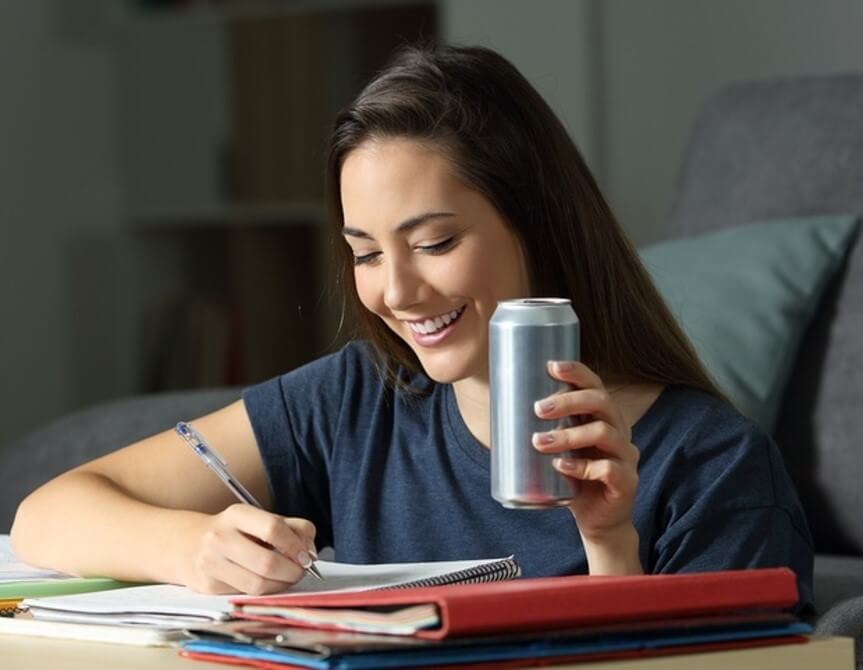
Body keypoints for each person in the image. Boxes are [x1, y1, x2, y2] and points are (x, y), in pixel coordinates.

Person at [10, 44, 814, 611]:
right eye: (364, 253)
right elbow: (50, 512)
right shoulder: (353, 402)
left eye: (434, 243)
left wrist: (608, 546)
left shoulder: (714, 468)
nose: (394, 292)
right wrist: (195, 549)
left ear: (537, 225)